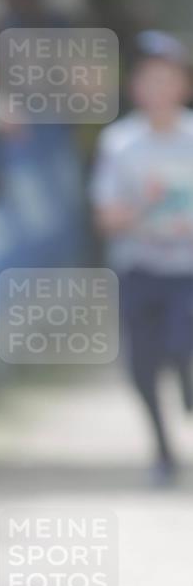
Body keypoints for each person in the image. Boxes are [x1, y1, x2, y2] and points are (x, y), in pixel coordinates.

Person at [90, 31, 193, 484]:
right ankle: (163, 451)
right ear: (136, 88)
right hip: (139, 268)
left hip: (188, 270)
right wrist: (146, 210)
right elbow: (108, 216)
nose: (159, 90)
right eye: (149, 80)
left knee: (181, 343)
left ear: (183, 85)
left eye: (167, 79)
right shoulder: (120, 145)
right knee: (143, 364)